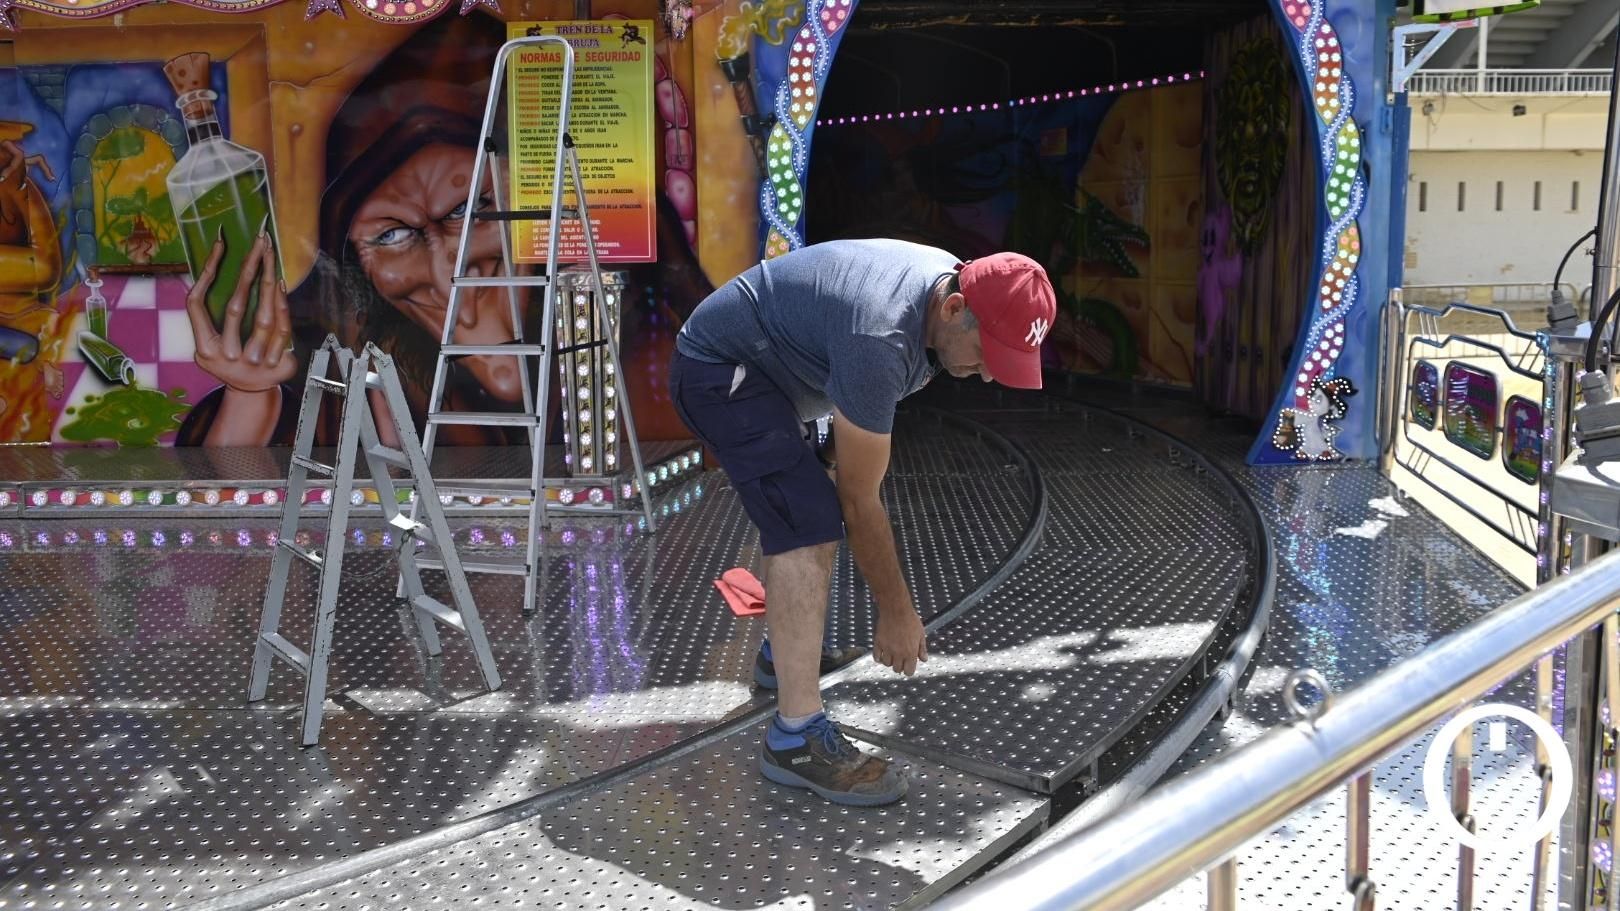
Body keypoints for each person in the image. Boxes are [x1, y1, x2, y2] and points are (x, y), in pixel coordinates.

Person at [668, 238, 1056, 806]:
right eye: (986, 353)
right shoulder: (882, 334)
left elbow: (846, 445)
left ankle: (782, 657)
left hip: (778, 376)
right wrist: (897, 613)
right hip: (721, 371)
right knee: (808, 521)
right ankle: (795, 739)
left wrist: (823, 462)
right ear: (954, 309)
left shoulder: (943, 296)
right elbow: (859, 501)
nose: (989, 375)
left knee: (806, 498)